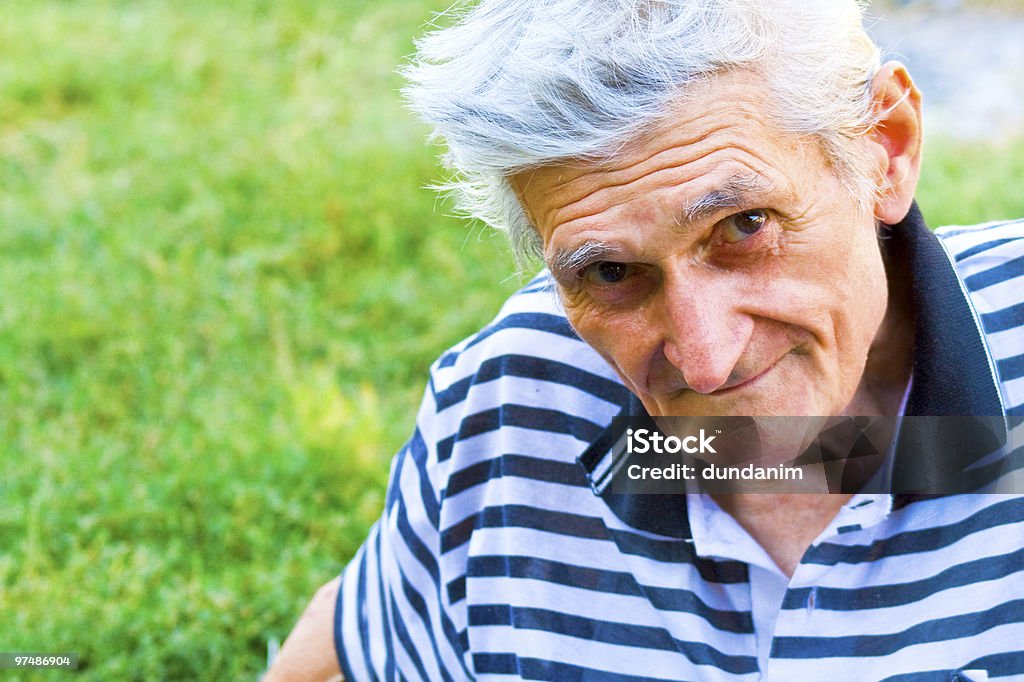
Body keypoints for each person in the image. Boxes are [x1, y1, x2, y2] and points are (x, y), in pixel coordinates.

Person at [265, 0, 1024, 679]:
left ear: (884, 147)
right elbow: (350, 642)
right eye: (612, 272)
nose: (704, 359)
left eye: (744, 226)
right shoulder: (512, 404)